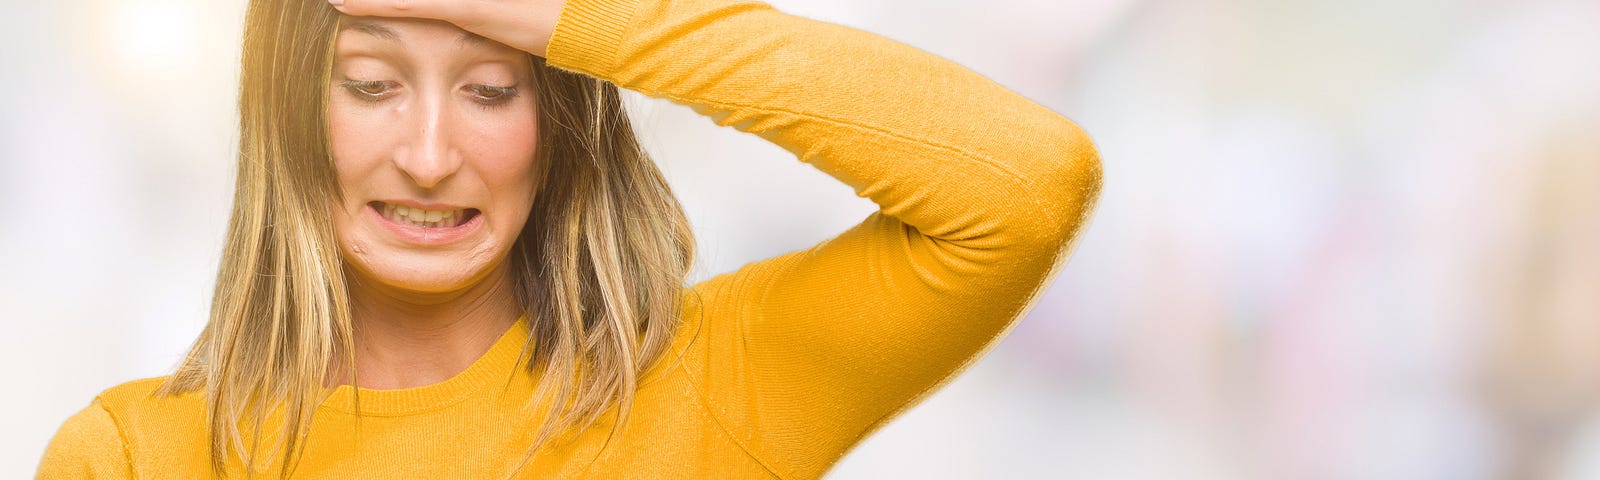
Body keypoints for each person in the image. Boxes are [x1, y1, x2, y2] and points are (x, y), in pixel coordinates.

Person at [36, 0, 1103, 477]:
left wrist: (581, 16)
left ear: (559, 129)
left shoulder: (710, 390)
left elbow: (1023, 184)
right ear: (286, 116)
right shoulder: (136, 459)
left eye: (493, 90)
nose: (427, 152)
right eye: (369, 85)